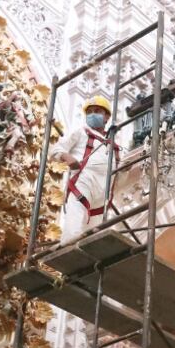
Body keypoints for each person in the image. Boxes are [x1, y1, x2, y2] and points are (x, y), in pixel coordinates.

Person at [52, 96, 120, 244]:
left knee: (94, 234)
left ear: (107, 116)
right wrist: (67, 158)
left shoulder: (112, 145)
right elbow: (56, 149)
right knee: (75, 221)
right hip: (84, 181)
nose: (92, 114)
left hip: (103, 190)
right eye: (89, 112)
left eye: (96, 111)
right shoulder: (81, 131)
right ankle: (68, 245)